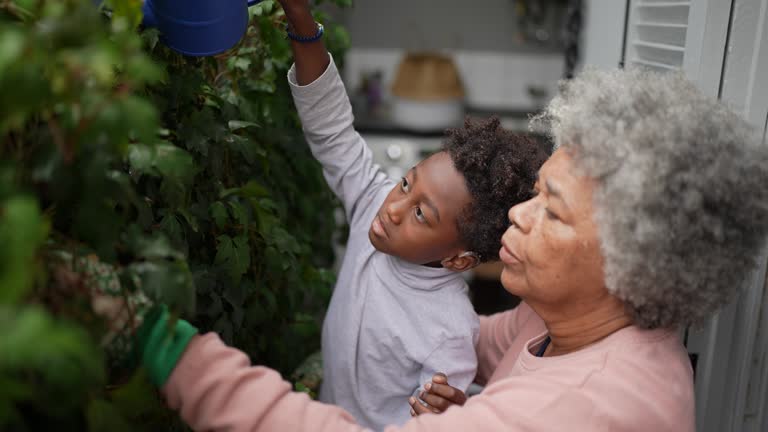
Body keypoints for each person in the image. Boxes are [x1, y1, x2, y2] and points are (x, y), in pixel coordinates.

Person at [91, 3, 768, 432]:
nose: (517, 221)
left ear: (634, 262)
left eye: (553, 212)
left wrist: (162, 344)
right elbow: (469, 347)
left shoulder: (588, 410)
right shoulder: (559, 321)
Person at [248, 1, 546, 429]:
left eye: (421, 215)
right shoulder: (373, 201)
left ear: (457, 260)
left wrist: (443, 410)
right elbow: (330, 127)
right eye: (406, 183)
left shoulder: (449, 329)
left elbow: (434, 416)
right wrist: (301, 22)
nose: (393, 208)